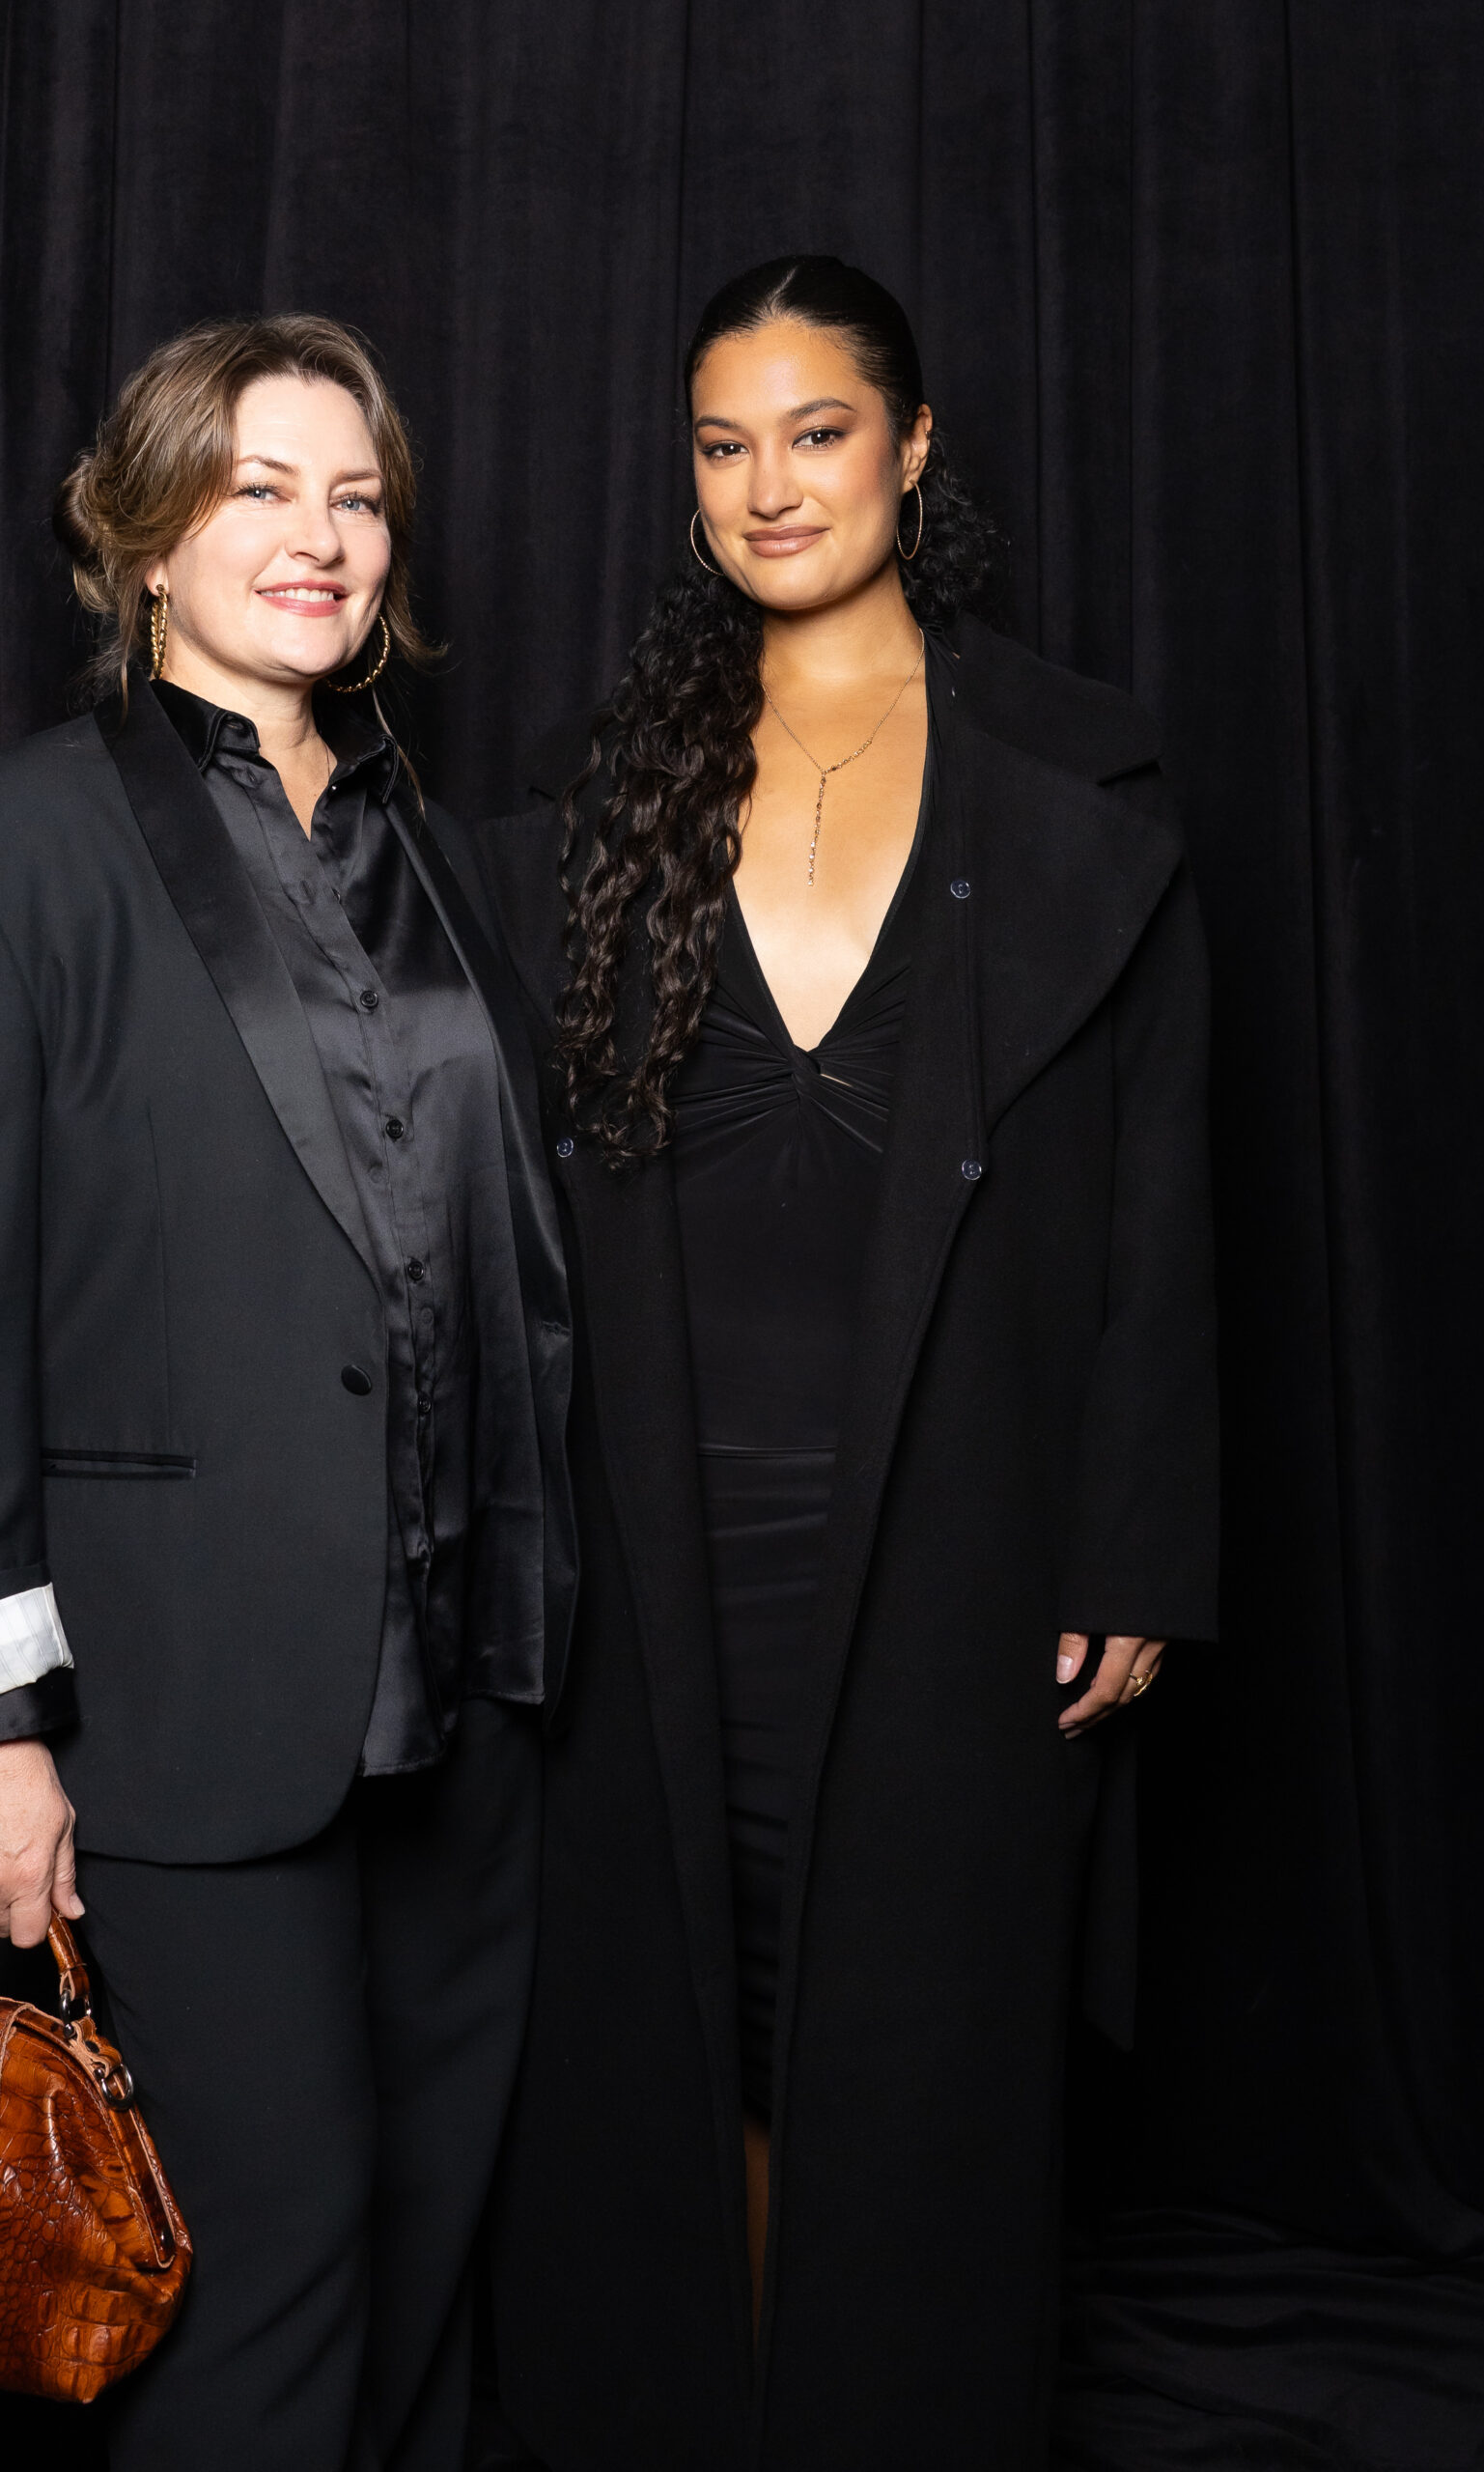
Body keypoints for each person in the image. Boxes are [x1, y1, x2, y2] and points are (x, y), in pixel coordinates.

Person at [464, 256, 1218, 2470]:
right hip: (655, 1537)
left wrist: (1139, 1538)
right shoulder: (601, 787)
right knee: (678, 2035)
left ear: (909, 448)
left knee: (907, 2044)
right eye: (720, 443)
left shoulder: (1074, 777)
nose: (766, 485)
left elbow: (1164, 1197)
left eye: (812, 432)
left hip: (962, 1527)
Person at [0, 314, 574, 2472]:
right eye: (260, 483)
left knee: (439, 2246)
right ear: (146, 530)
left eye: (353, 495)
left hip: (471, 1682)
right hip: (180, 1695)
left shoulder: (455, 859)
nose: (317, 535)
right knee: (270, 2260)